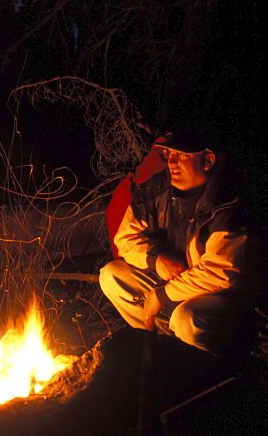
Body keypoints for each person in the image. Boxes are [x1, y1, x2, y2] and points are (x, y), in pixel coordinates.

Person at [99, 130, 256, 358]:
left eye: (182, 155)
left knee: (187, 318)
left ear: (208, 160)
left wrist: (162, 294)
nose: (172, 162)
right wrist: (155, 259)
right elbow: (125, 238)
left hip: (220, 297)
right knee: (112, 275)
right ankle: (160, 348)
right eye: (169, 154)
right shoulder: (157, 189)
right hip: (177, 286)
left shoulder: (226, 200)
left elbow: (221, 272)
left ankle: (203, 366)